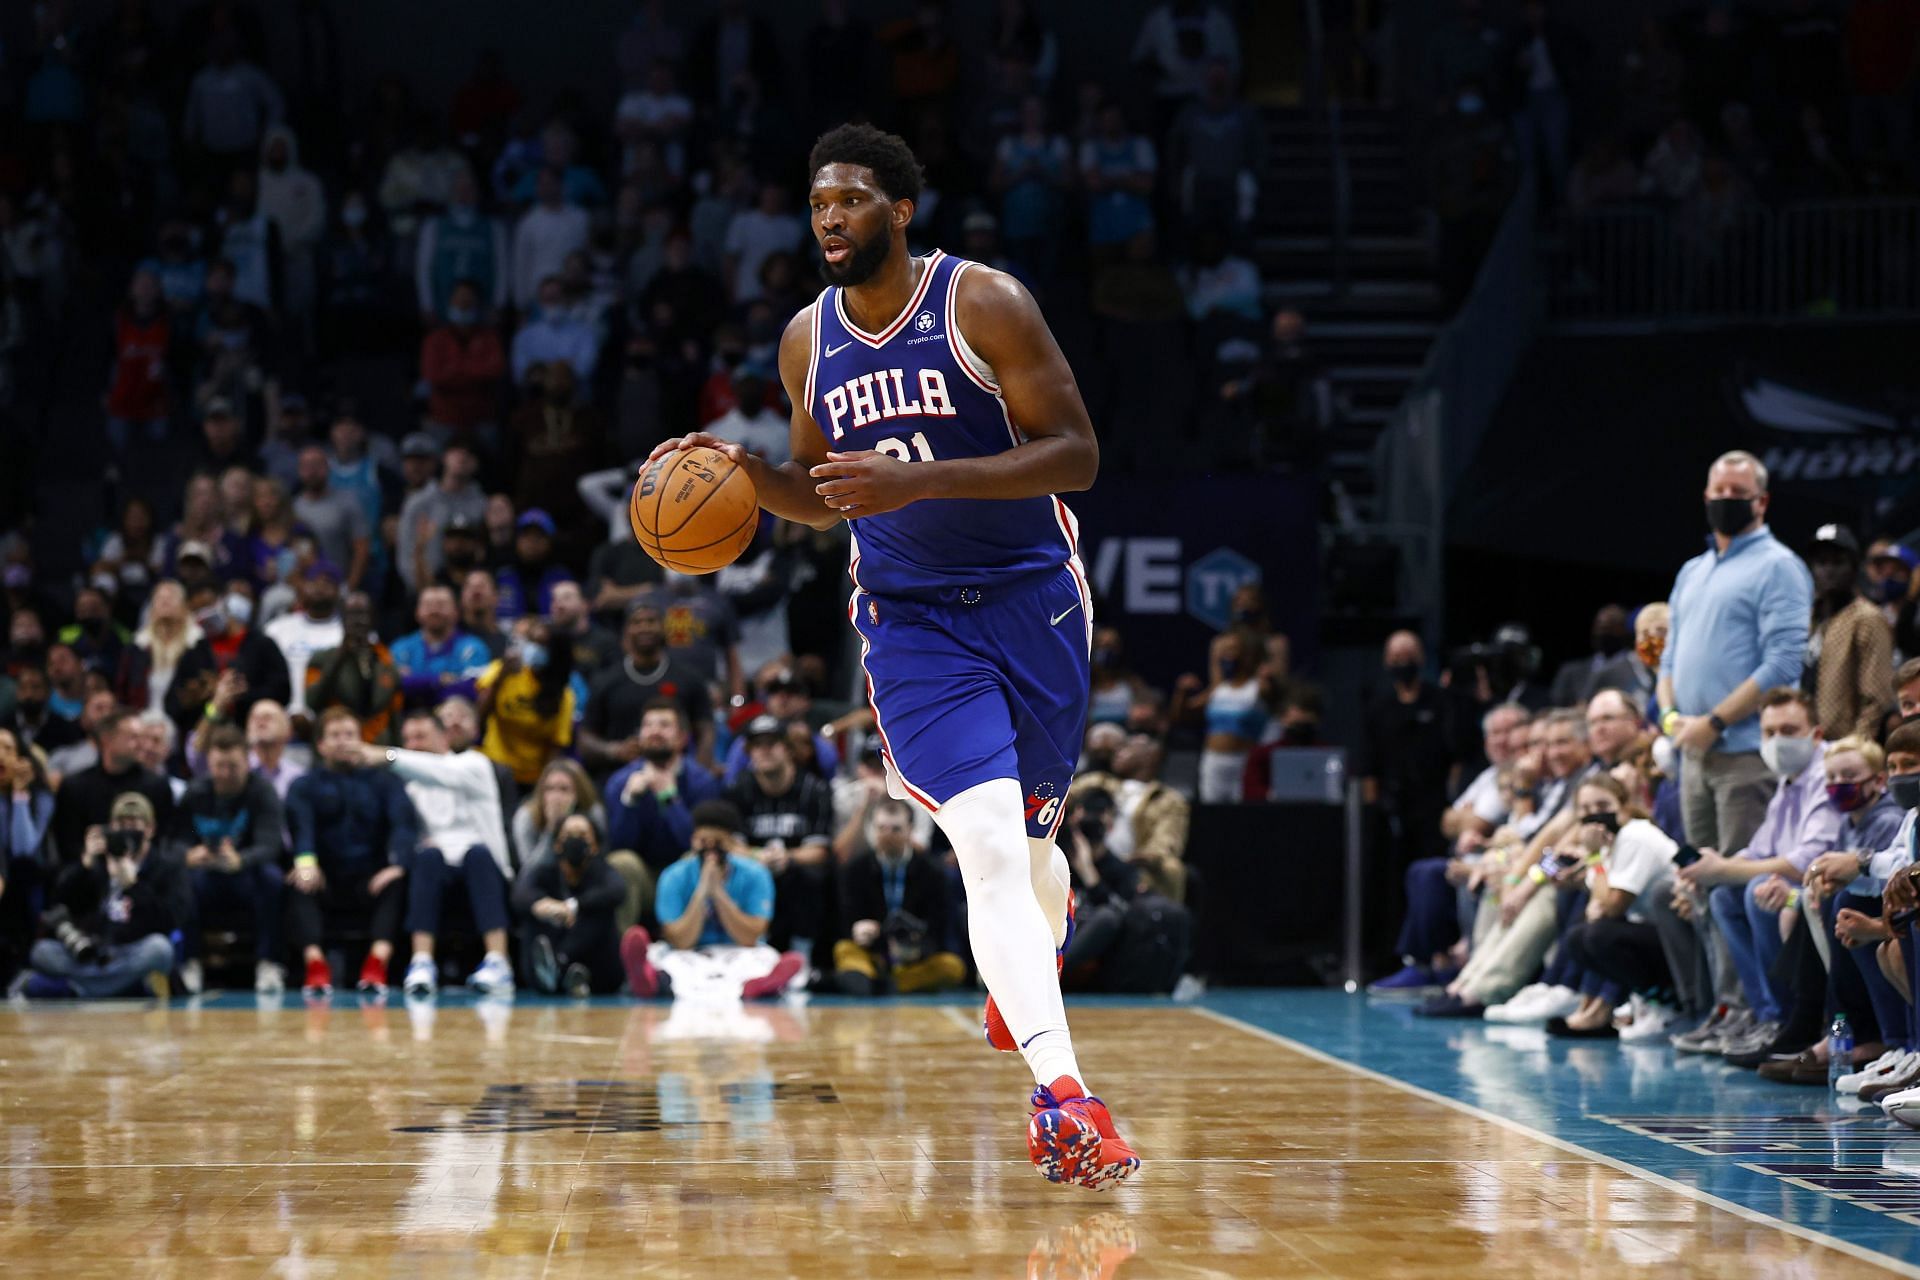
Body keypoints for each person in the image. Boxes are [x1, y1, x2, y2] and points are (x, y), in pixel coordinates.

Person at [645, 122, 1135, 1187]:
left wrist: (921, 479)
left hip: (1033, 600)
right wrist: (735, 474)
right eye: (819, 200)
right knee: (991, 848)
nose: (831, 215)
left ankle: (1039, 952)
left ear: (900, 211)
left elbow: (1078, 455)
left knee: (1035, 854)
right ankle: (1063, 1095)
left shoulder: (983, 303)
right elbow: (824, 497)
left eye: (854, 197)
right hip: (912, 620)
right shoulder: (805, 341)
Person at [1662, 451, 1813, 860]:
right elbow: (1669, 657)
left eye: (1739, 492)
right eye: (1720, 490)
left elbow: (1782, 664)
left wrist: (1714, 721)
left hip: (1745, 755)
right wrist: (1670, 717)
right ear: (1706, 495)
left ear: (1761, 501)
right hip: (1694, 750)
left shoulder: (1779, 566)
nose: (1727, 498)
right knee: (1698, 886)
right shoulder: (1693, 570)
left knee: (1740, 883)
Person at [357, 710, 515, 998]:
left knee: (477, 854)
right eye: (407, 739)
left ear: (444, 738)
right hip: (435, 872)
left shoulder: (473, 764)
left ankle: (499, 962)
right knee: (427, 857)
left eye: (421, 737)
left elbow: (440, 772)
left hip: (484, 871)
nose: (413, 745)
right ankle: (421, 963)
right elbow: (403, 831)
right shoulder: (408, 786)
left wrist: (387, 755)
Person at [619, 799, 806, 1001]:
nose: (710, 850)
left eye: (717, 842)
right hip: (689, 953)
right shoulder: (673, 876)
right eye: (702, 841)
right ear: (692, 840)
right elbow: (680, 941)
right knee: (670, 964)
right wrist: (702, 891)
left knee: (763, 961)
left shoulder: (756, 874)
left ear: (733, 843)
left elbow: (750, 938)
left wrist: (718, 893)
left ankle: (760, 985)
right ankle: (650, 981)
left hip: (741, 951)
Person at [284, 709, 416, 996]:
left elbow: (403, 826)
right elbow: (301, 829)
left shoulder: (386, 780)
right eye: (334, 736)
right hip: (326, 878)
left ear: (362, 741)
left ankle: (376, 964)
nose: (343, 742)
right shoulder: (304, 785)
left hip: (371, 876)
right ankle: (316, 967)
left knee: (397, 881)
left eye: (349, 735)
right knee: (298, 881)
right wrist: (307, 864)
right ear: (321, 745)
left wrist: (398, 864)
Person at [21, 792, 181, 999]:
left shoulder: (165, 867)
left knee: (160, 949)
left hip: (132, 951)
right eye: (121, 824)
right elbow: (59, 902)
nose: (127, 831)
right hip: (92, 953)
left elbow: (169, 921)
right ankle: (119, 987)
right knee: (42, 951)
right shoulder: (98, 862)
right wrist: (84, 865)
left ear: (150, 829)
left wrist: (134, 885)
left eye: (134, 824)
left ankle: (84, 988)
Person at [175, 725, 286, 995]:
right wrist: (188, 855)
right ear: (209, 764)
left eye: (233, 766)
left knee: (273, 879)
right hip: (205, 874)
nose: (225, 774)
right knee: (179, 881)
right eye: (218, 766)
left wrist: (241, 859)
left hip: (246, 873)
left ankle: (269, 963)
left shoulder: (262, 791)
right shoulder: (195, 792)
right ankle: (189, 962)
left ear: (248, 762)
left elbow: (272, 844)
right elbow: (172, 842)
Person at [727, 714, 835, 958]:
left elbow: (820, 850)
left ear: (788, 749)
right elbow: (731, 845)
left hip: (796, 873)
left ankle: (801, 956)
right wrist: (758, 856)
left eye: (771, 744)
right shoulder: (738, 790)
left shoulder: (814, 790)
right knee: (738, 872)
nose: (764, 751)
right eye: (757, 746)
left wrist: (786, 857)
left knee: (811, 876)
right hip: (754, 869)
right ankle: (751, 952)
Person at [833, 798, 967, 995]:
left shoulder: (933, 872)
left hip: (914, 957)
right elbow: (845, 919)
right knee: (844, 949)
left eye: (895, 829)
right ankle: (881, 980)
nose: (887, 835)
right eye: (881, 828)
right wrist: (857, 930)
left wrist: (917, 946)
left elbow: (940, 925)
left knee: (952, 966)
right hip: (872, 951)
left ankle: (880, 984)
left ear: (910, 830)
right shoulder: (855, 869)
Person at [580, 602, 716, 772]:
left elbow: (706, 730)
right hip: (618, 776)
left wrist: (699, 772)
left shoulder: (689, 678)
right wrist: (614, 750)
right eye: (636, 623)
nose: (644, 627)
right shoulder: (605, 680)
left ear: (664, 628)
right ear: (626, 631)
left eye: (651, 621)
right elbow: (585, 738)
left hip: (676, 775)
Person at [513, 812, 628, 995]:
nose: (575, 841)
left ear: (595, 846)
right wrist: (544, 905)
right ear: (557, 844)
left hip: (600, 975)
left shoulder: (603, 872)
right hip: (547, 969)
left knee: (600, 911)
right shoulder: (544, 872)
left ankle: (559, 963)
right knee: (533, 912)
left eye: (582, 836)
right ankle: (553, 972)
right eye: (568, 836)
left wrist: (575, 906)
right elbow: (519, 895)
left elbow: (618, 891)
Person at [51, 708, 176, 865]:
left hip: (144, 875)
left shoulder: (157, 786)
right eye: (133, 737)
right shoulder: (75, 787)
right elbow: (68, 846)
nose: (141, 744)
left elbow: (164, 842)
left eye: (141, 737)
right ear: (106, 739)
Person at [1804, 523, 1893, 739]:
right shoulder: (1809, 618)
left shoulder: (1867, 618)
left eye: (1837, 562)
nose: (1828, 570)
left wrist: (1857, 751)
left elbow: (1877, 699)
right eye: (1821, 562)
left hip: (1845, 748)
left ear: (1854, 567)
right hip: (1806, 746)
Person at [476, 617, 575, 788]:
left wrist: (542, 788)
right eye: (532, 641)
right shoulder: (503, 670)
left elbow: (555, 747)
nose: (534, 648)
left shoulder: (564, 696)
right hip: (493, 767)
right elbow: (479, 718)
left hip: (532, 778)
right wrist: (500, 678)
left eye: (542, 644)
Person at [303, 592, 402, 744]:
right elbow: (312, 701)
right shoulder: (321, 659)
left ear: (373, 618)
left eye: (363, 614)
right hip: (338, 744)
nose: (358, 621)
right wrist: (339, 658)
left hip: (380, 747)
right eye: (351, 615)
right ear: (341, 619)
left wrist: (396, 753)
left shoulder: (386, 661)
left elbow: (395, 714)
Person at [390, 585, 493, 710]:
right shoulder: (401, 648)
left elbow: (472, 689)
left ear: (456, 612)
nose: (434, 610)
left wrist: (416, 683)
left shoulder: (473, 648)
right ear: (417, 612)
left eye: (441, 605)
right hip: (410, 722)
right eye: (428, 605)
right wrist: (439, 680)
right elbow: (393, 686)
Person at [1550, 605, 1632, 709]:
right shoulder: (1570, 672)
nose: (1603, 632)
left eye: (1611, 628)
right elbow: (1556, 707)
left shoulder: (1638, 669)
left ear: (1625, 630)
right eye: (1600, 627)